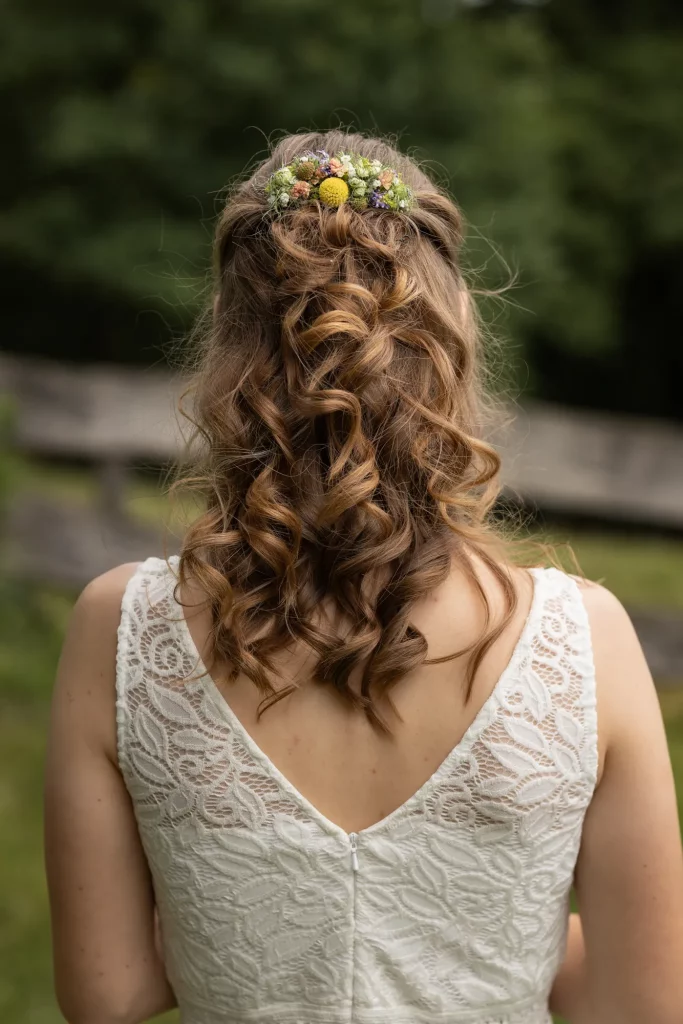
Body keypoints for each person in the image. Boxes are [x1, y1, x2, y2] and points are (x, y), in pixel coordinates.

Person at [44, 130, 683, 1024]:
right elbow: (639, 1005)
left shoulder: (120, 631)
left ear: (230, 356)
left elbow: (108, 993)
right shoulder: (587, 643)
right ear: (448, 340)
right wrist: (506, 924)